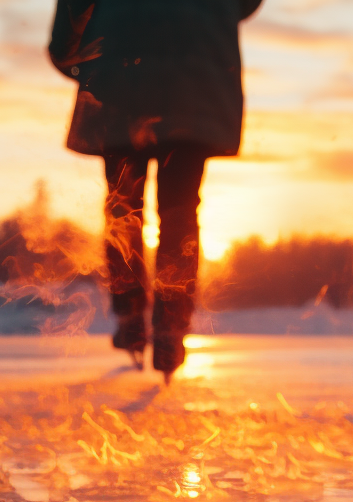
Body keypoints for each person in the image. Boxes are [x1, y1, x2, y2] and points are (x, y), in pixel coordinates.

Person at [49, 0, 262, 380]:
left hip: (121, 76)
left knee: (122, 208)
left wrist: (84, 64)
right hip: (193, 83)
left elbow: (70, 21)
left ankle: (131, 315)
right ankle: (170, 325)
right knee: (180, 212)